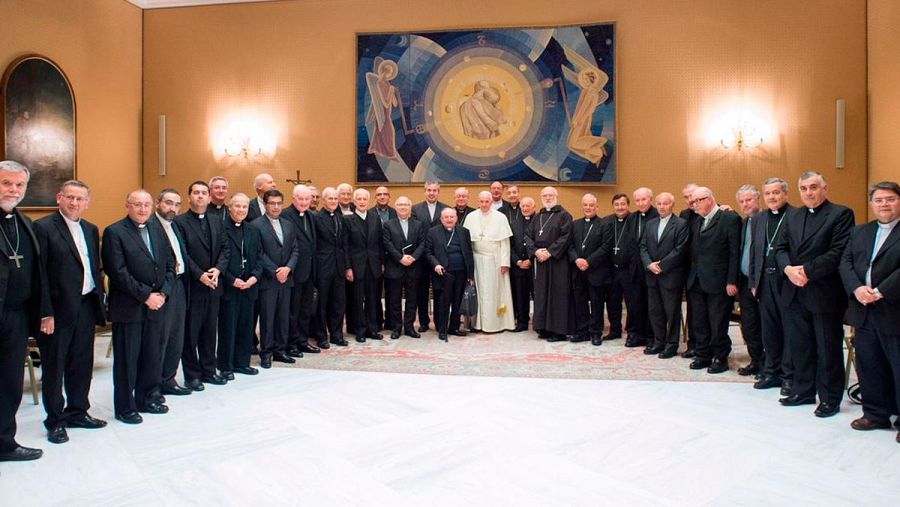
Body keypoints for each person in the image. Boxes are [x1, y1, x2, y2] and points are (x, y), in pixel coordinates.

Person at [775, 172, 854, 417]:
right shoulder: (794, 215)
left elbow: (838, 252)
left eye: (813, 187)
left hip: (824, 291)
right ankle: (804, 390)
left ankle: (830, 398)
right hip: (794, 290)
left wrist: (806, 271)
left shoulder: (841, 214)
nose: (808, 193)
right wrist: (788, 269)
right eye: (804, 188)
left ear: (825, 188)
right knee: (800, 346)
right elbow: (780, 247)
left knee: (827, 347)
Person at [34, 180, 107, 444]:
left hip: (86, 305)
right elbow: (38, 275)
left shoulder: (90, 229)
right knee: (55, 367)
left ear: (87, 203)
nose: (75, 203)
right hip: (57, 310)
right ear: (59, 198)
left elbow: (93, 268)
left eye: (80, 199)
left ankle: (78, 411)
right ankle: (55, 420)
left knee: (82, 363)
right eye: (70, 198)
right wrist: (45, 313)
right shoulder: (42, 228)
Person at [102, 190, 174, 424]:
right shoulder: (115, 232)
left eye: (146, 205)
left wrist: (163, 292)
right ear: (127, 205)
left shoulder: (157, 229)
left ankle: (147, 397)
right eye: (137, 204)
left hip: (157, 305)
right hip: (129, 306)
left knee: (152, 355)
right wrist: (146, 296)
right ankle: (125, 406)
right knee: (127, 360)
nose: (142, 209)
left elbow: (170, 264)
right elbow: (117, 272)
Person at [839, 181, 900, 442]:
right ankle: (875, 413)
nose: (884, 204)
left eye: (890, 199)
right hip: (863, 308)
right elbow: (846, 261)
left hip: (893, 307)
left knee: (897, 364)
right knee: (869, 363)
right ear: (871, 204)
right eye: (879, 200)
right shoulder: (860, 231)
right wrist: (856, 288)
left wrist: (882, 290)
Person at [0, 160, 44, 461]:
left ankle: (5, 442)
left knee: (10, 382)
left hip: (16, 316)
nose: (13, 190)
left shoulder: (25, 223)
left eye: (19, 185)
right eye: (6, 183)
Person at [175, 181, 231, 390]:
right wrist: (200, 275)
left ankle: (209, 370)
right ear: (189, 197)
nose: (200, 196)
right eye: (196, 193)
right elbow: (182, 253)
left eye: (203, 193)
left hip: (214, 284)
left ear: (209, 198)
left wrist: (217, 270)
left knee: (209, 331)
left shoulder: (217, 221)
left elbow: (225, 249)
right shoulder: (180, 222)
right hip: (193, 286)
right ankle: (192, 375)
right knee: (191, 333)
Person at [685, 187, 741, 374]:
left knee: (717, 322)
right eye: (692, 202)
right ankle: (703, 355)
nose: (694, 205)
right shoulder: (697, 221)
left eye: (697, 201)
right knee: (700, 321)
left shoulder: (729, 218)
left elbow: (735, 252)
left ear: (708, 199)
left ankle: (720, 357)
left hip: (719, 282)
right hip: (697, 280)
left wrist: (732, 281)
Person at [749, 178, 796, 393]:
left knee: (788, 330)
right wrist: (753, 281)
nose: (772, 197)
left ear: (785, 194)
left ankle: (789, 376)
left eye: (776, 193)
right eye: (768, 194)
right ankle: (771, 372)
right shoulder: (759, 219)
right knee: (769, 330)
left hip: (785, 282)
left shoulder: (795, 215)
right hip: (763, 281)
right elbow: (754, 252)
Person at [253, 189, 299, 368]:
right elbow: (259, 253)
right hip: (268, 280)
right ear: (265, 204)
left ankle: (280, 351)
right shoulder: (256, 225)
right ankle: (266, 353)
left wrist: (288, 268)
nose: (276, 207)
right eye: (272, 203)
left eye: (279, 203)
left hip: (286, 279)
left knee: (283, 317)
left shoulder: (288, 224)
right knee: (267, 318)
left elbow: (295, 249)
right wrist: (275, 271)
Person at [153, 189, 193, 397]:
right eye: (168, 203)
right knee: (161, 338)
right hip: (162, 289)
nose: (173, 208)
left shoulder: (174, 226)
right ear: (157, 203)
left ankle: (169, 379)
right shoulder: (150, 226)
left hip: (179, 285)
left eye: (177, 205)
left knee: (176, 336)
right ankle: (154, 383)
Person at [639, 192, 689, 358]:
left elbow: (680, 250)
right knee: (655, 312)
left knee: (672, 313)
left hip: (670, 276)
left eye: (665, 203)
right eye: (659, 203)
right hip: (652, 276)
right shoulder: (651, 223)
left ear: (672, 205)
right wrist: (649, 264)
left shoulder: (681, 224)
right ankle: (658, 342)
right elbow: (643, 247)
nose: (661, 206)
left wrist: (661, 265)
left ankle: (671, 344)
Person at [218, 193, 262, 377]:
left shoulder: (252, 230)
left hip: (249, 286)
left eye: (244, 207)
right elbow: (218, 258)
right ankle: (226, 365)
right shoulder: (221, 228)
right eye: (237, 206)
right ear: (230, 208)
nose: (241, 210)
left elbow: (259, 256)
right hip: (230, 286)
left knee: (246, 326)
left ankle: (242, 363)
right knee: (229, 327)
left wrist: (254, 278)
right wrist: (232, 279)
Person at [526, 186, 574, 342]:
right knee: (541, 294)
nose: (547, 198)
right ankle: (544, 328)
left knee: (557, 294)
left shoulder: (564, 215)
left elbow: (565, 237)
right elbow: (528, 236)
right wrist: (536, 251)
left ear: (556, 196)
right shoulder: (537, 216)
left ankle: (558, 331)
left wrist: (549, 252)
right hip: (540, 261)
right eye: (545, 195)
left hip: (557, 262)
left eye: (550, 195)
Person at [464, 191, 515, 332]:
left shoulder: (500, 217)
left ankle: (496, 324)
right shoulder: (471, 217)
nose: (484, 204)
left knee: (495, 293)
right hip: (477, 260)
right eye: (481, 201)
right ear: (478, 201)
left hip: (495, 261)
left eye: (487, 201)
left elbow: (505, 243)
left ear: (491, 202)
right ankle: (477, 324)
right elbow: (467, 242)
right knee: (479, 292)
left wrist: (505, 262)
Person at [281, 184, 320, 354]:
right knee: (292, 311)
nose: (304, 202)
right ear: (293, 198)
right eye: (301, 199)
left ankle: (303, 341)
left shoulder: (311, 216)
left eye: (307, 199)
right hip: (294, 271)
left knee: (306, 310)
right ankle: (291, 343)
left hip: (309, 271)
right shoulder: (285, 215)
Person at [568, 193, 612, 344]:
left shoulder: (604, 224)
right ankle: (582, 331)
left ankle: (595, 332)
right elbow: (570, 245)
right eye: (585, 205)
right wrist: (576, 259)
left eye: (591, 205)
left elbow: (606, 247)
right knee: (580, 302)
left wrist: (588, 261)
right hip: (578, 271)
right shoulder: (575, 224)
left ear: (597, 207)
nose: (588, 208)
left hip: (596, 270)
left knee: (596, 303)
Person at [426, 208, 474, 341]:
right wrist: (436, 264)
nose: (449, 219)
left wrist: (470, 275)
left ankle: (454, 327)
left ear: (456, 218)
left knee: (457, 301)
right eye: (446, 217)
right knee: (443, 302)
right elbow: (428, 252)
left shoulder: (464, 232)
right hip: (443, 273)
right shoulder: (433, 232)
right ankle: (442, 330)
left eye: (452, 217)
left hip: (461, 272)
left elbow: (469, 254)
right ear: (441, 219)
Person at [383, 196, 427, 339]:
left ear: (410, 207)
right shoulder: (388, 225)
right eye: (400, 204)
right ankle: (396, 328)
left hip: (414, 268)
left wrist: (413, 257)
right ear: (396, 207)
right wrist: (400, 258)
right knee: (394, 300)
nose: (403, 207)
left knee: (412, 299)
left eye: (406, 205)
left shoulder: (418, 224)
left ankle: (409, 327)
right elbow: (387, 244)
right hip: (395, 267)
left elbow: (422, 243)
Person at [344, 188, 385, 341]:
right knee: (357, 299)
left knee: (373, 298)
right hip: (356, 267)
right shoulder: (347, 220)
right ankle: (359, 330)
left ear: (368, 201)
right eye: (359, 199)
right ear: (354, 202)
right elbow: (345, 246)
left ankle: (372, 329)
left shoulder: (375, 218)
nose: (361, 202)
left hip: (373, 265)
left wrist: (381, 263)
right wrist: (348, 267)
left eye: (364, 199)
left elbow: (380, 243)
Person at [313, 187, 351, 347]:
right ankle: (321, 336)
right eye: (331, 199)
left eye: (336, 199)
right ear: (324, 200)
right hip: (323, 267)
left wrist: (347, 266)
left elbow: (344, 245)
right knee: (322, 304)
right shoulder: (316, 218)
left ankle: (336, 334)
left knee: (338, 303)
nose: (334, 201)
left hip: (339, 267)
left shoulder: (339, 217)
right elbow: (314, 245)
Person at [623, 187, 659, 347]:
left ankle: (652, 336)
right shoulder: (632, 218)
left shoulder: (658, 215)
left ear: (650, 200)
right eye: (637, 200)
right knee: (635, 303)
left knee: (652, 305)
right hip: (635, 269)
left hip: (652, 268)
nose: (640, 203)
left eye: (643, 199)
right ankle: (635, 334)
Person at [735, 184, 764, 376]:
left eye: (749, 200)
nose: (745, 204)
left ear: (758, 199)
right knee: (749, 325)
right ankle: (756, 361)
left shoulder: (766, 220)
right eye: (742, 201)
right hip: (745, 282)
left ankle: (769, 364)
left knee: (766, 326)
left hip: (763, 283)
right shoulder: (745, 223)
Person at [412, 181, 448, 331]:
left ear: (438, 192)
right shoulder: (415, 209)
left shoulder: (445, 209)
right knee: (422, 291)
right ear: (425, 191)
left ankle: (440, 322)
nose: (432, 193)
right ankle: (424, 322)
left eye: (434, 190)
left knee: (439, 291)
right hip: (421, 258)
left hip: (439, 257)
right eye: (429, 190)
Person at [604, 193, 630, 341]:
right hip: (611, 270)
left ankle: (632, 331)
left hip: (628, 270)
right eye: (617, 205)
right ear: (613, 206)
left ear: (627, 205)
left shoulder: (633, 220)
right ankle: (615, 330)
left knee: (631, 303)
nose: (620, 207)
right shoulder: (607, 221)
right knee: (613, 302)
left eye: (623, 204)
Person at [679, 183, 701, 358]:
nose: (690, 200)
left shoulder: (718, 212)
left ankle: (707, 347)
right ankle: (693, 345)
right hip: (690, 272)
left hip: (709, 273)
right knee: (693, 312)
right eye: (686, 197)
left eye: (692, 195)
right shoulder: (684, 215)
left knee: (708, 314)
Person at [372, 186, 396, 330]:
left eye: (385, 194)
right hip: (375, 259)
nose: (382, 197)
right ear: (375, 197)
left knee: (392, 292)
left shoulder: (395, 213)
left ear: (389, 196)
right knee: (375, 292)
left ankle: (390, 322)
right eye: (379, 194)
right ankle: (377, 321)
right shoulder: (369, 213)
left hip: (393, 258)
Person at [509, 196, 534, 332]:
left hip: (535, 265)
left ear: (533, 207)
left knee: (537, 295)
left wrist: (531, 259)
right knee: (520, 295)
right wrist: (517, 261)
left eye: (528, 206)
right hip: (518, 266)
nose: (525, 208)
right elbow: (510, 245)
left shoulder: (539, 221)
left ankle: (540, 322)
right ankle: (522, 322)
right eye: (523, 206)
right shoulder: (514, 223)